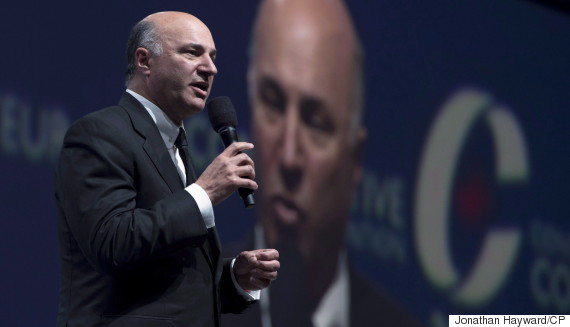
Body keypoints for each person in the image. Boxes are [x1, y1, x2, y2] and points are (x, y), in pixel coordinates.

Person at [55, 11, 279, 327]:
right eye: (192, 52)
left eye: (213, 57)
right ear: (145, 61)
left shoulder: (174, 146)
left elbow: (169, 291)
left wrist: (234, 278)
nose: (211, 68)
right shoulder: (99, 133)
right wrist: (204, 193)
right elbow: (112, 244)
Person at [222, 0, 421, 326]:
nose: (288, 156)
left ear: (354, 161)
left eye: (316, 123)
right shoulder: (190, 305)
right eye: (272, 103)